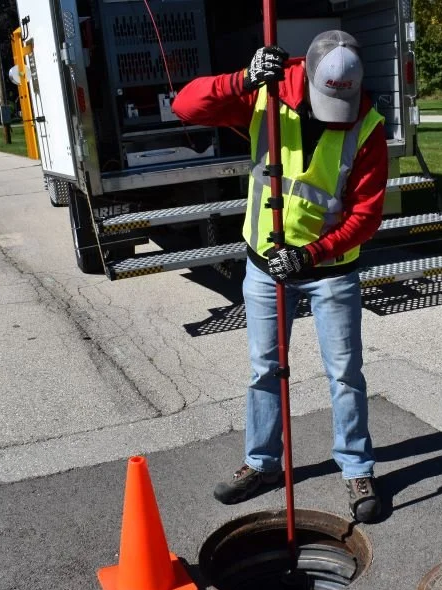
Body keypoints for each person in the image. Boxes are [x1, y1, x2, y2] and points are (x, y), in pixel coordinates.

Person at [172, 31, 387, 522]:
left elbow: (367, 215)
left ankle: (356, 467)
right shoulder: (267, 93)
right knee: (264, 370)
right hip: (264, 264)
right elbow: (186, 107)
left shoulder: (367, 123)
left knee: (345, 374)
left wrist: (313, 254)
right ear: (307, 77)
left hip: (332, 269)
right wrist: (240, 80)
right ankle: (262, 463)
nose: (336, 108)